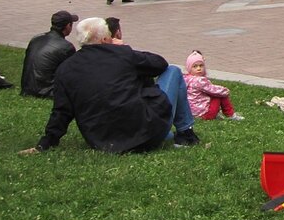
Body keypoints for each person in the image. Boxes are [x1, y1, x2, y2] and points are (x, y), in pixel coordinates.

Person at [22, 16, 200, 154]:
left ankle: (170, 135)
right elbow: (160, 64)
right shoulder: (121, 54)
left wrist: (47, 141)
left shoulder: (66, 68)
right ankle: (185, 132)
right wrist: (123, 48)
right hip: (145, 131)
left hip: (101, 140)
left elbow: (61, 111)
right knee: (173, 71)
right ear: (106, 39)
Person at [21, 11, 78, 98]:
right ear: (68, 26)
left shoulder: (36, 39)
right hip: (47, 91)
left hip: (27, 88)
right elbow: (71, 73)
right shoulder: (66, 47)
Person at [184, 50, 243, 120]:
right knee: (220, 95)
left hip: (193, 113)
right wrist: (225, 90)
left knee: (212, 95)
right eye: (195, 66)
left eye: (201, 65)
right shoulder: (199, 80)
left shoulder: (186, 79)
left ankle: (218, 113)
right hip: (205, 114)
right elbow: (213, 90)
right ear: (189, 68)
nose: (199, 68)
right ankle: (231, 114)